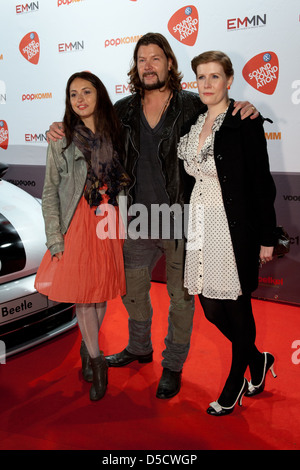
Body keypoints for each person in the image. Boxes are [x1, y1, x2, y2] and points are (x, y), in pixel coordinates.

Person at [46, 33, 259, 400]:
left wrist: (246, 108)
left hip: (180, 216)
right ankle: (139, 347)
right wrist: (61, 127)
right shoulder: (123, 109)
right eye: (141, 59)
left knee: (180, 300)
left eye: (155, 58)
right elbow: (88, 120)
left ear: (169, 64)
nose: (148, 65)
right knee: (133, 293)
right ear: (135, 66)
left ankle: (173, 366)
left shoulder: (192, 106)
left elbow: (221, 111)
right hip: (135, 219)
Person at [178, 50, 277, 416]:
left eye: (214, 77)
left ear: (229, 80)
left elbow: (261, 182)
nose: (207, 84)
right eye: (201, 77)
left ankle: (236, 381)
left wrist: (267, 236)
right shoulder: (195, 120)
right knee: (211, 308)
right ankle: (258, 359)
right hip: (201, 225)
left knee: (236, 307)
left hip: (232, 226)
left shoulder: (243, 121)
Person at [35, 71, 130, 401]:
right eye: (73, 94)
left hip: (107, 221)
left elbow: (122, 183)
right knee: (85, 297)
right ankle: (98, 360)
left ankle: (88, 350)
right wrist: (54, 237)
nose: (79, 99)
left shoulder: (114, 134)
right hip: (77, 224)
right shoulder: (60, 139)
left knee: (101, 293)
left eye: (86, 92)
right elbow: (49, 193)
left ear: (99, 95)